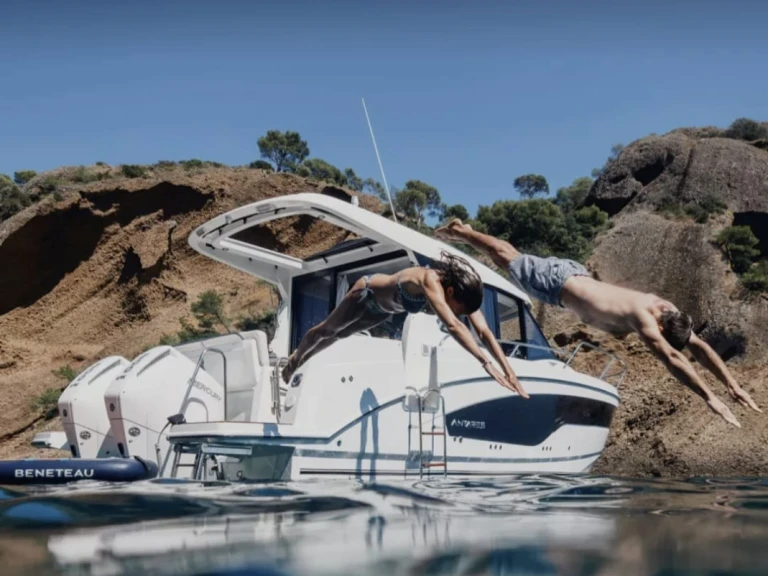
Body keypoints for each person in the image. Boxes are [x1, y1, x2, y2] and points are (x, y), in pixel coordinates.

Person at [434, 218, 761, 428]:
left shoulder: (669, 311)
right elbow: (674, 358)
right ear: (661, 330)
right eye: (660, 338)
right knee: (507, 257)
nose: (657, 341)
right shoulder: (645, 319)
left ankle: (464, 233)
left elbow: (698, 348)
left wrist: (732, 385)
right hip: (559, 285)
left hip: (574, 276)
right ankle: (460, 231)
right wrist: (709, 397)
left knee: (512, 257)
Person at [281, 251, 529, 398]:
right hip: (366, 293)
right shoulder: (429, 280)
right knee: (329, 329)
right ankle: (296, 358)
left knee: (340, 335)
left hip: (382, 312)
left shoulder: (457, 295)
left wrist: (509, 371)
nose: (459, 314)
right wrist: (486, 363)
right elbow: (454, 326)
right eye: (459, 310)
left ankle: (301, 360)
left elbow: (483, 332)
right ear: (451, 292)